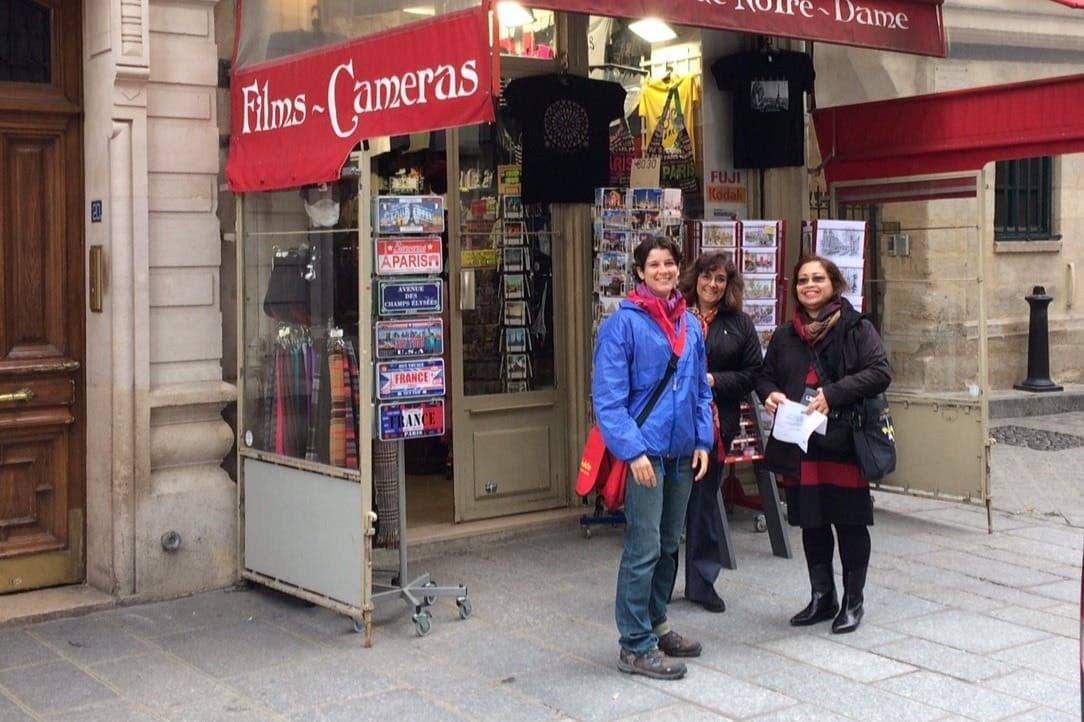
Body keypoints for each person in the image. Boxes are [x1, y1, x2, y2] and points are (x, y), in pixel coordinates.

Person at [592, 237, 714, 680]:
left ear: (678, 269)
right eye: (654, 264)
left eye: (669, 263)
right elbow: (607, 399)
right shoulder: (622, 325)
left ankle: (657, 622)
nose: (663, 270)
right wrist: (632, 450)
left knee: (667, 544)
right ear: (640, 272)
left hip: (682, 450)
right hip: (646, 452)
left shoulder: (691, 325)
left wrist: (703, 440)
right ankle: (634, 644)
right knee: (642, 549)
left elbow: (701, 388)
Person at [756, 255, 891, 634]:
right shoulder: (785, 334)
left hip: (844, 441)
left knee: (849, 522)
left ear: (834, 283)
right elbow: (764, 377)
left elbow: (880, 372)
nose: (809, 286)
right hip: (802, 444)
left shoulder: (855, 327)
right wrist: (770, 394)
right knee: (812, 524)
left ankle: (853, 601)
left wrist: (832, 394)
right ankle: (822, 597)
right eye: (802, 280)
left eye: (817, 278)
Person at [675, 252, 763, 613]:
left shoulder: (739, 324)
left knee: (703, 507)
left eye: (721, 280)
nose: (712, 285)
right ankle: (657, 586)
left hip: (711, 427)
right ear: (695, 278)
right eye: (707, 276)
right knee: (665, 512)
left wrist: (712, 380)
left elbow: (753, 373)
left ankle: (701, 582)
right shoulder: (674, 315)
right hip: (669, 425)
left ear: (729, 286)